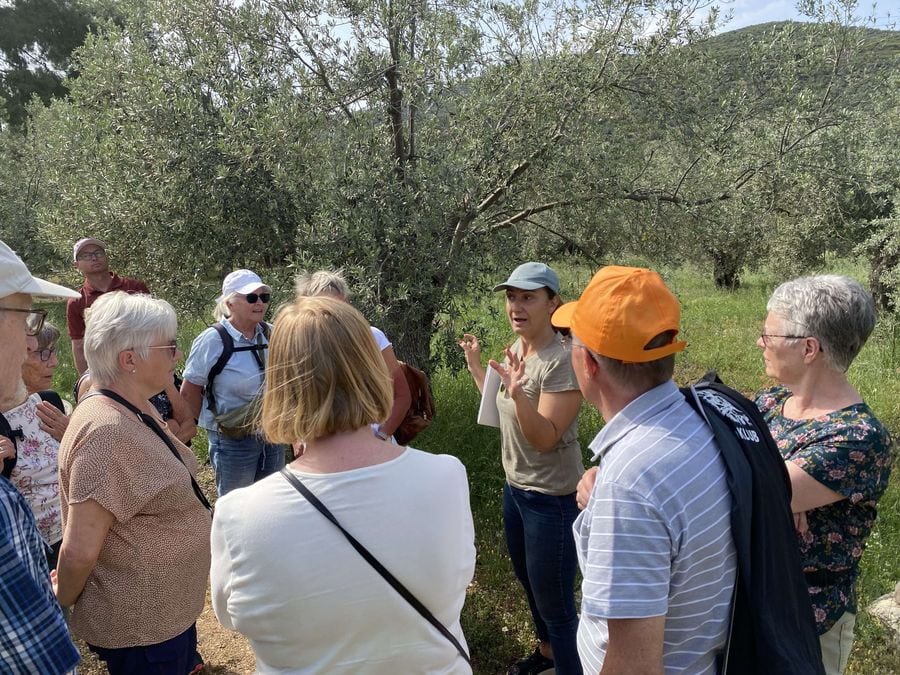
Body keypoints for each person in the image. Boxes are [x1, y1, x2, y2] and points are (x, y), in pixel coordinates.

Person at [210, 296, 476, 673]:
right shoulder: (446, 477)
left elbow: (231, 616)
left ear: (281, 383)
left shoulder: (238, 515)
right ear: (371, 371)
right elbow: (458, 577)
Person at [553, 265, 736, 674]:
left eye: (572, 342)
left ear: (590, 364)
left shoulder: (633, 482)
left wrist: (617, 496)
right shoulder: (700, 420)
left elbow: (634, 667)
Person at [56, 291, 212, 675]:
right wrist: (62, 596)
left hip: (163, 614)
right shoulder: (105, 432)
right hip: (143, 627)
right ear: (129, 360)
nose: (177, 355)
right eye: (170, 347)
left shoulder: (130, 405)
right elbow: (79, 551)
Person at [755, 275, 892, 675]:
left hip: (807, 621)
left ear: (809, 348)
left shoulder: (859, 437)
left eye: (769, 333)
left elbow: (747, 490)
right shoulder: (773, 401)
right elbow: (739, 476)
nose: (760, 342)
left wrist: (767, 490)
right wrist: (772, 493)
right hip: (751, 600)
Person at [459, 262, 583, 675]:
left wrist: (518, 392)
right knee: (531, 585)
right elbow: (500, 410)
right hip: (516, 492)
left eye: (528, 297)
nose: (517, 305)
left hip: (552, 499)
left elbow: (545, 437)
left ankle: (569, 664)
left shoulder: (560, 360)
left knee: (559, 607)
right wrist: (479, 367)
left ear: (553, 304)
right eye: (512, 296)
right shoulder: (517, 351)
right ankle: (547, 655)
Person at [0, 239, 80, 673]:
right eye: (26, 318)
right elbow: (42, 664)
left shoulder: (48, 402)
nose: (32, 342)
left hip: (57, 535)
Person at [181, 269, 286, 496]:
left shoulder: (274, 334)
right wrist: (186, 432)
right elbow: (191, 390)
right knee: (235, 502)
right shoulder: (213, 339)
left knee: (272, 499)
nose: (259, 303)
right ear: (230, 304)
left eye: (263, 297)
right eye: (251, 297)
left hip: (272, 433)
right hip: (231, 439)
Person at [294, 269, 412, 441]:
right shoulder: (299, 342)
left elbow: (401, 394)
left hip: (374, 444)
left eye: (341, 304)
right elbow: (294, 400)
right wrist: (299, 443)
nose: (337, 313)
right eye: (326, 307)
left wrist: (381, 436)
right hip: (321, 448)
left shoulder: (372, 337)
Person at [6, 322, 70, 568]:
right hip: (24, 557)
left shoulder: (50, 403)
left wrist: (70, 437)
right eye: (43, 353)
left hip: (69, 541)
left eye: (53, 351)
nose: (53, 362)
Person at [66, 237, 149, 374]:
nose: (94, 258)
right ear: (76, 265)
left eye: (98, 253)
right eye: (86, 256)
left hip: (142, 363)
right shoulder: (76, 301)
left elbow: (156, 328)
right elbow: (79, 345)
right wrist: (86, 381)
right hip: (107, 372)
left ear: (106, 256)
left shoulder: (135, 287)